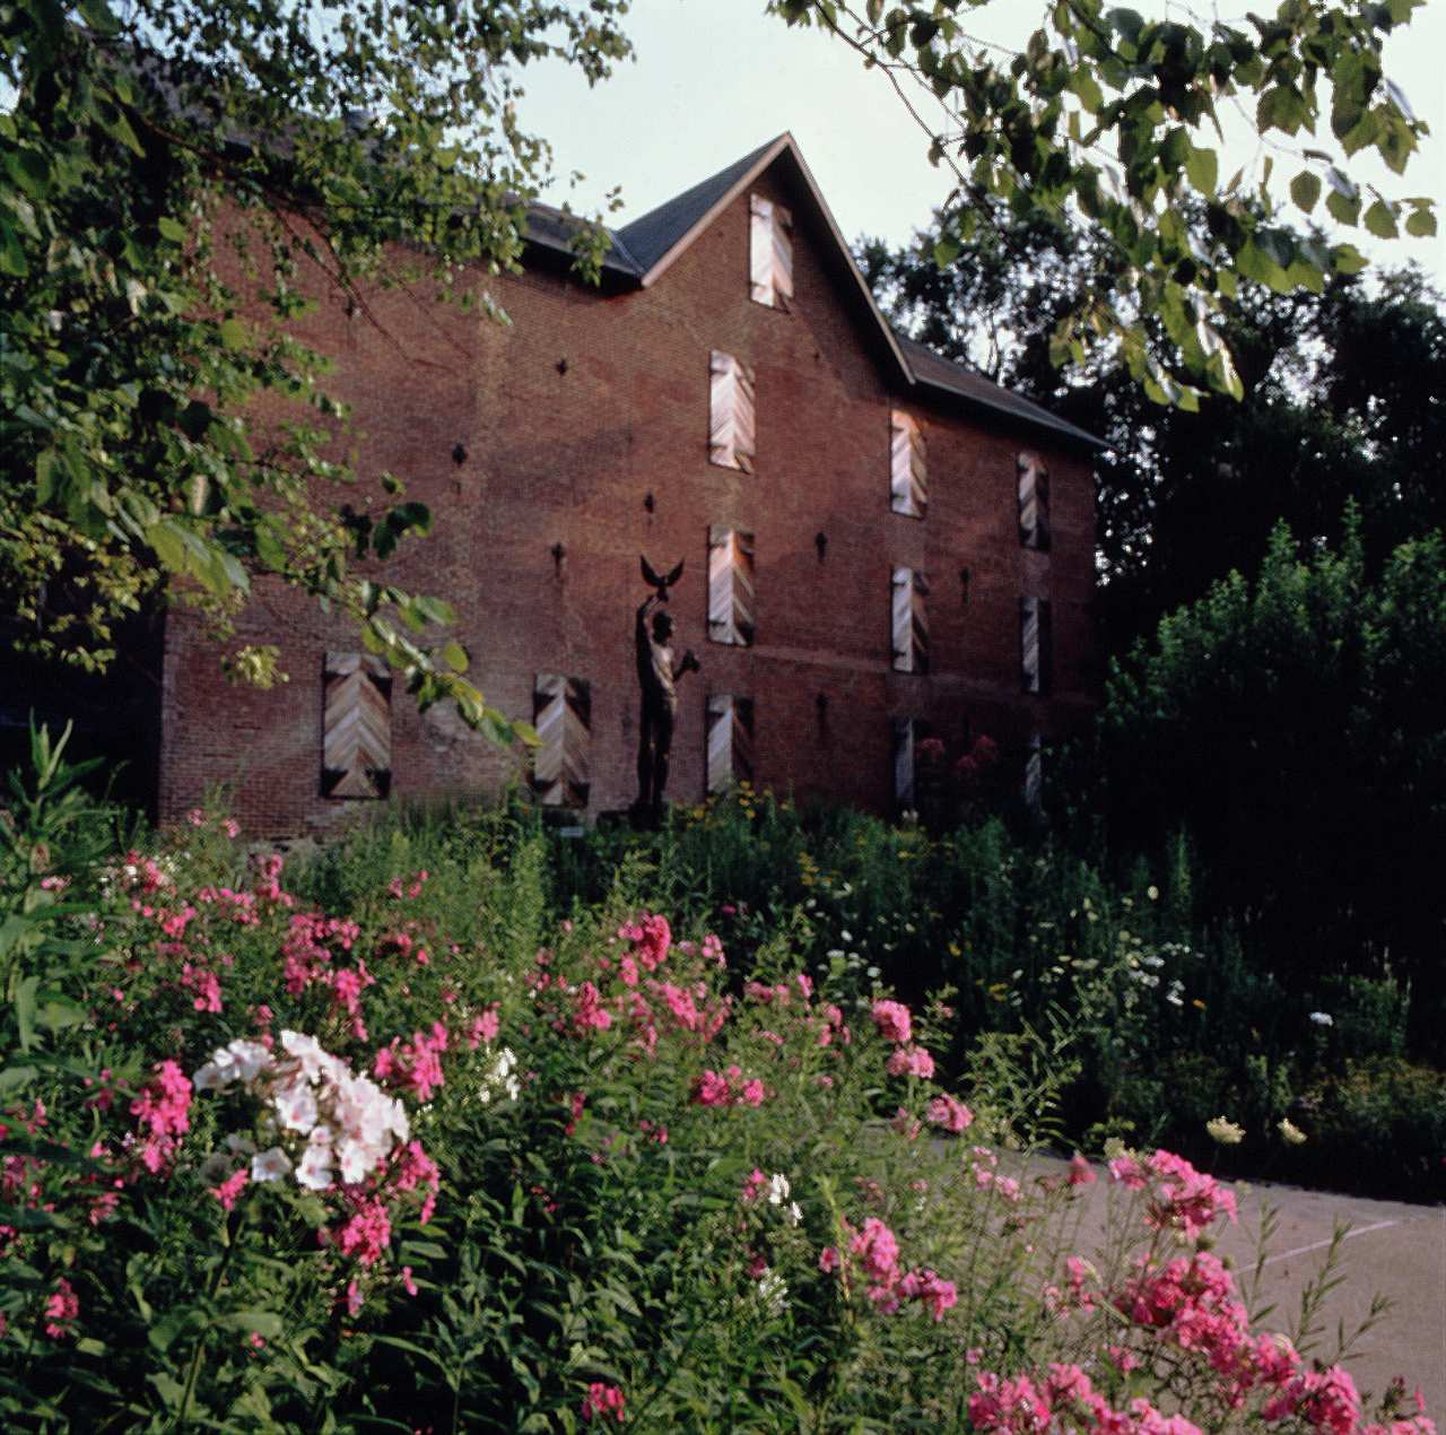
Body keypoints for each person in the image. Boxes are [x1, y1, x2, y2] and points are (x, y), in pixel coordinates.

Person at [634, 590, 699, 826]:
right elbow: (640, 616)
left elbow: (670, 680)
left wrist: (684, 667)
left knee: (664, 751)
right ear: (661, 625)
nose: (676, 627)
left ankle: (658, 796)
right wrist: (656, 597)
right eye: (672, 623)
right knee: (647, 747)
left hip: (669, 699)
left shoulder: (669, 653)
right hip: (651, 699)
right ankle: (644, 796)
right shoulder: (647, 645)